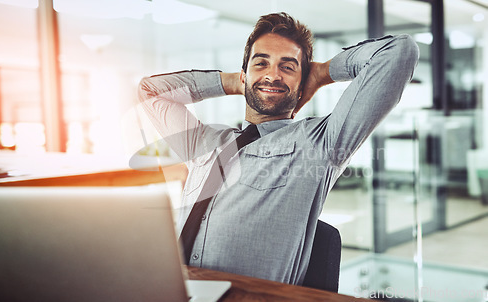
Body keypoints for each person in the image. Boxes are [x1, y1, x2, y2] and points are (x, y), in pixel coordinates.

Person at [138, 12, 419, 285]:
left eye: (287, 67)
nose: (273, 75)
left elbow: (399, 52)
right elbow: (150, 91)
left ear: (302, 82)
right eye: (261, 64)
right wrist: (233, 82)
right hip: (173, 289)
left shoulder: (319, 144)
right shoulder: (205, 142)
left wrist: (322, 73)